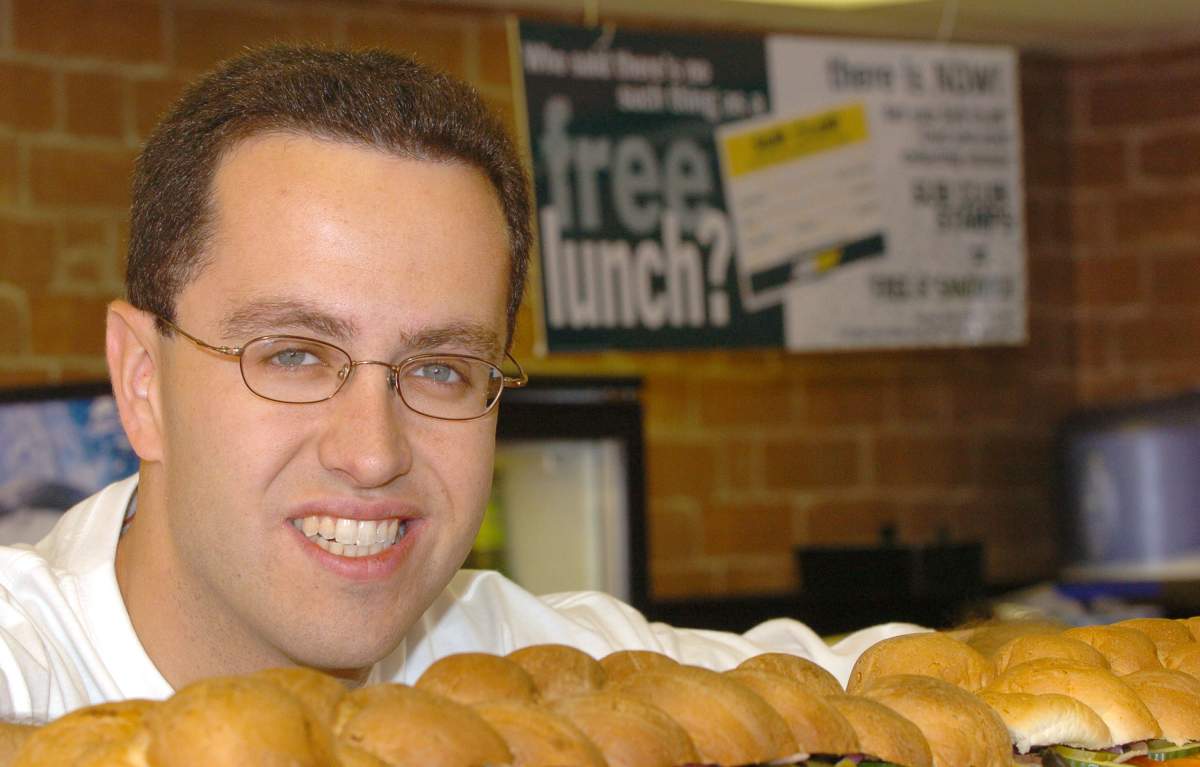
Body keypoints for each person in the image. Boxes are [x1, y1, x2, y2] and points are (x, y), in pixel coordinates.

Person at [0, 44, 920, 724]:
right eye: (292, 354)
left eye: (439, 369)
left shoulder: (515, 664)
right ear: (142, 380)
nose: (370, 452)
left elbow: (890, 682)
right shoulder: (27, 672)